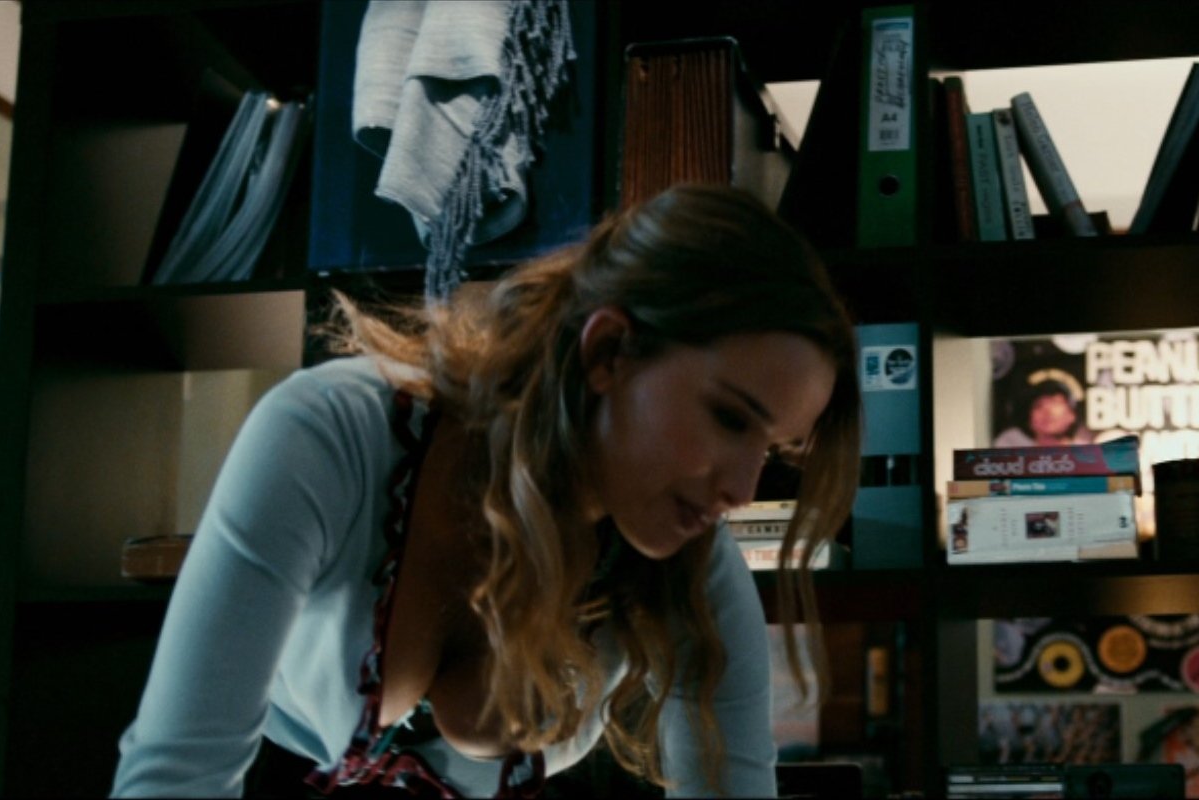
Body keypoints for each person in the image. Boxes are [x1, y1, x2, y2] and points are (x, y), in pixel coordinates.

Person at [111, 184, 860, 798]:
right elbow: (175, 778)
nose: (742, 489)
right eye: (729, 418)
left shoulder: (694, 562)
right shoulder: (327, 437)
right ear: (608, 352)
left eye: (772, 450)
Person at [992, 371, 1093, 448]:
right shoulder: (1010, 445)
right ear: (1029, 420)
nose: (1047, 412)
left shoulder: (1087, 451)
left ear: (1072, 415)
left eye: (1055, 403)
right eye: (1038, 406)